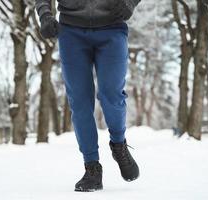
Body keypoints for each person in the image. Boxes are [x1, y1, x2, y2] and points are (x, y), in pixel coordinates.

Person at [35, 0, 141, 192]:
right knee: (80, 102)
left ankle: (119, 145)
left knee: (111, 94)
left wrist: (130, 3)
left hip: (112, 26)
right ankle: (92, 167)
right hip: (71, 31)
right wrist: (44, 15)